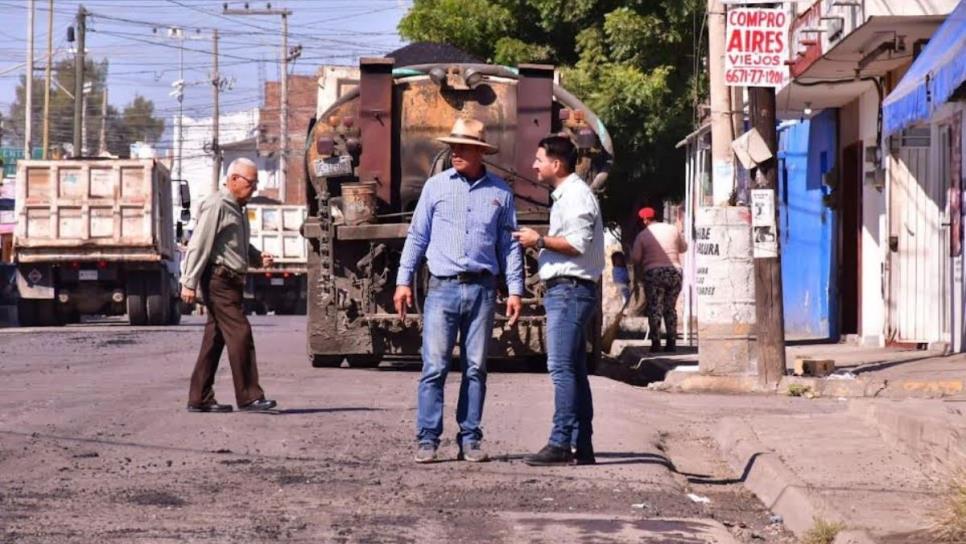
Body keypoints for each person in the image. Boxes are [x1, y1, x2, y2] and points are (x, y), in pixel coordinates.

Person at [394, 118, 524, 464]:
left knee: (476, 367)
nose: (455, 152)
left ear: (480, 152)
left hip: (482, 290)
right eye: (453, 146)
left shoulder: (500, 193)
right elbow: (417, 236)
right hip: (442, 289)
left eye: (463, 147)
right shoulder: (435, 188)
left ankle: (470, 438)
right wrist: (403, 280)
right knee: (434, 366)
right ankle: (427, 438)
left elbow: (509, 246)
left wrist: (515, 290)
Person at [514, 135, 604, 466]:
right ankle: (583, 445)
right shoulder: (567, 195)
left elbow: (577, 244)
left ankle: (561, 442)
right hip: (569, 290)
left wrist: (539, 240)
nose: (534, 165)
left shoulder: (576, 196)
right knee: (575, 370)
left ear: (557, 164)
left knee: (561, 367)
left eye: (539, 159)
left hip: (569, 290)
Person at [181, 158, 278, 413]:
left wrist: (258, 257)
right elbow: (200, 243)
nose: (254, 188)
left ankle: (199, 397)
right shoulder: (217, 205)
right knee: (240, 332)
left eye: (256, 183)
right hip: (218, 280)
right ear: (234, 179)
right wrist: (188, 281)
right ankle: (249, 397)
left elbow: (238, 244)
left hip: (231, 281)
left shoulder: (237, 207)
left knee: (214, 340)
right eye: (251, 183)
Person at [630, 207, 687, 353]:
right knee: (670, 308)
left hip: (654, 273)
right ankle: (671, 343)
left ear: (645, 220)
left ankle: (656, 343)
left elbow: (636, 258)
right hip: (675, 272)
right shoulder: (672, 229)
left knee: (655, 308)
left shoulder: (643, 235)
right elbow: (683, 248)